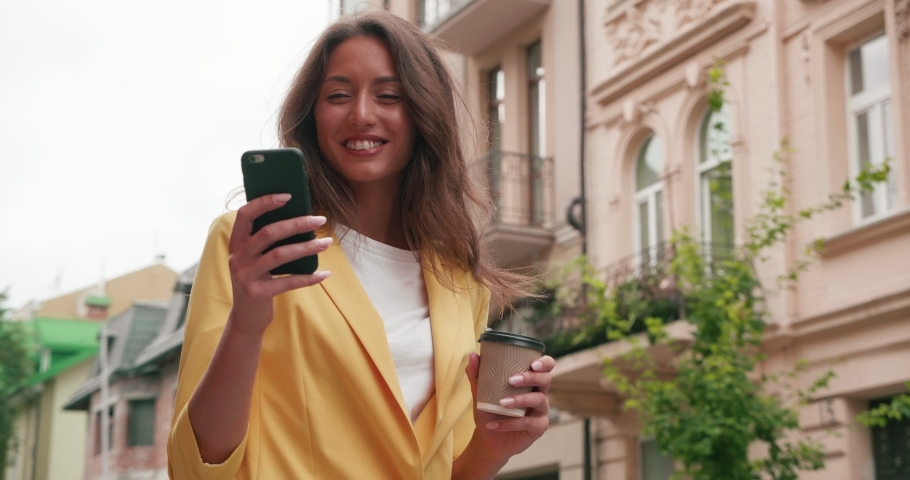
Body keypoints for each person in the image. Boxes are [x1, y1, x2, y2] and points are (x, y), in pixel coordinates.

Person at [167, 10, 556, 480]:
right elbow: (195, 465)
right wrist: (246, 323)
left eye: (389, 95)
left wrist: (491, 450)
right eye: (338, 95)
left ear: (421, 113)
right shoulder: (251, 244)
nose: (362, 114)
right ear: (313, 113)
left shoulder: (457, 275)